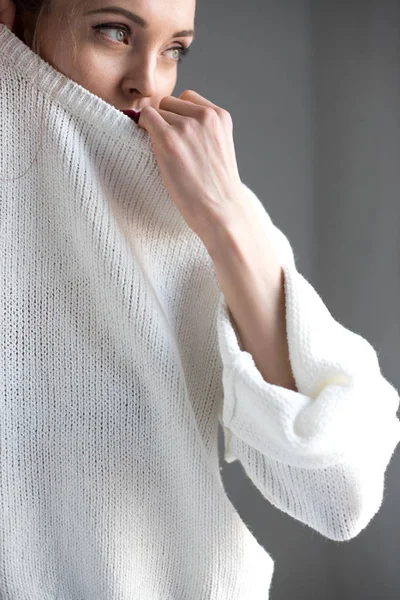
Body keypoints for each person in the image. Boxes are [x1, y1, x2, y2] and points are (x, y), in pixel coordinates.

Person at [0, 1, 399, 599]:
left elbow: (340, 497)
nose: (149, 83)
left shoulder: (185, 202)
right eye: (115, 32)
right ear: (10, 18)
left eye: (174, 49)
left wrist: (228, 220)